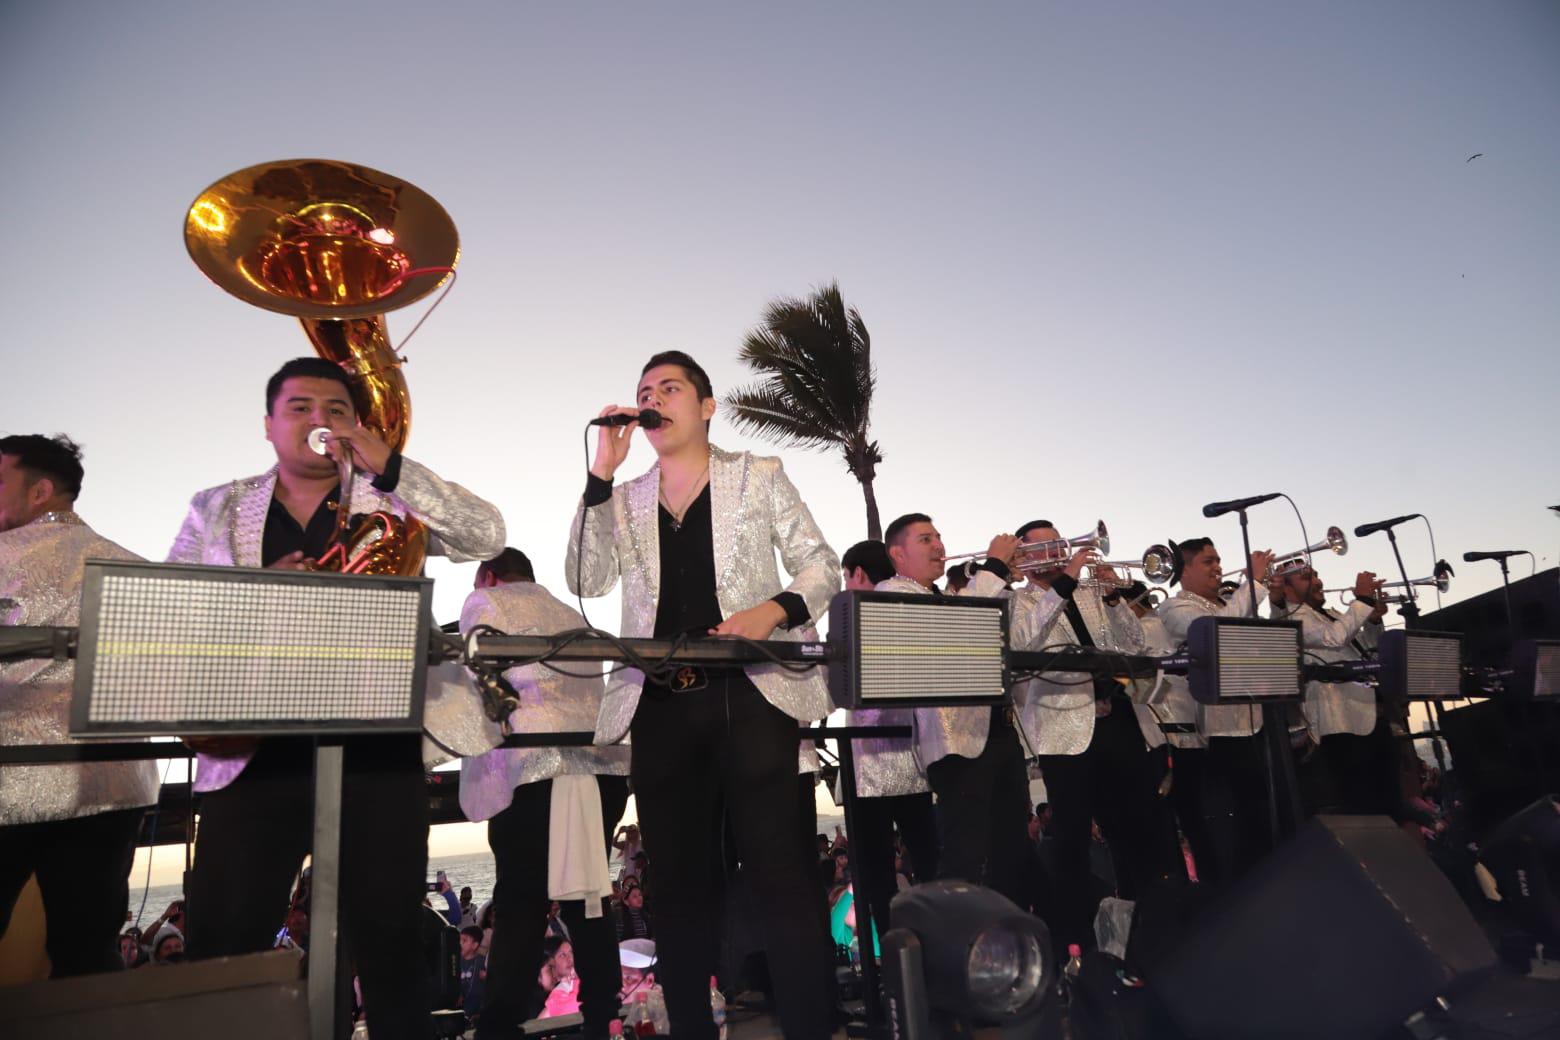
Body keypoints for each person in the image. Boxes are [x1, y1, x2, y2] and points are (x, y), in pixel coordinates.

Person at [168, 357, 505, 1040]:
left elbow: (485, 534)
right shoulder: (218, 506)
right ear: (269, 425)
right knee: (223, 939)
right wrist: (259, 590)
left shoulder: (391, 497)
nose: (320, 421)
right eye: (300, 407)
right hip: (253, 751)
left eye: (337, 409)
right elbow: (174, 608)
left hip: (377, 748)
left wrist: (396, 467)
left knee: (389, 943)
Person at [566, 350, 838, 1040]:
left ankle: (809, 1026)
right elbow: (585, 576)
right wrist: (601, 472)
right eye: (644, 390)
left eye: (670, 387)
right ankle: (690, 1026)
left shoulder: (757, 476)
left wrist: (772, 611)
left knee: (781, 880)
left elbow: (821, 565)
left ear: (706, 406)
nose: (654, 398)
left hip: (752, 695)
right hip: (659, 704)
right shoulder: (624, 498)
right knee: (679, 891)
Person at [0, 434, 161, 978]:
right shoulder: (132, 568)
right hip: (112, 784)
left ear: (41, 490)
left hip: (9, 781)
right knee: (87, 949)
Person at [458, 546, 631, 1040]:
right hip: (601, 768)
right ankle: (604, 1014)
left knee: (520, 900)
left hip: (535, 770)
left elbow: (475, 681)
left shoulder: (485, 604)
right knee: (589, 895)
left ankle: (500, 1024)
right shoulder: (569, 612)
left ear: (488, 577)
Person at [1007, 521, 1184, 949]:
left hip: (1119, 722)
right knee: (1071, 842)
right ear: (1025, 558)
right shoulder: (1017, 602)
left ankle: (1153, 928)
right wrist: (1066, 580)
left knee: (1138, 829)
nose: (1062, 549)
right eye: (1047, 545)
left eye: (1061, 541)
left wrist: (1115, 599)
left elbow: (1134, 646)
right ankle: (1077, 942)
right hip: (1064, 734)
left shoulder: (1089, 593)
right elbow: (1027, 643)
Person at [876, 514, 1031, 906]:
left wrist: (1005, 580)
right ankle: (953, 947)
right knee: (965, 853)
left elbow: (1012, 636)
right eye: (926, 539)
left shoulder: (942, 595)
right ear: (898, 553)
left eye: (939, 537)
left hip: (1000, 733)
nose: (940, 546)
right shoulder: (892, 590)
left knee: (1011, 852)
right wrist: (994, 567)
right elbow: (960, 625)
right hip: (957, 744)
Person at [837, 539, 941, 944]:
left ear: (858, 573)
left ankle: (894, 965)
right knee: (929, 860)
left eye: (847, 576)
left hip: (868, 766)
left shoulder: (856, 614)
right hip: (914, 758)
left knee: (875, 873)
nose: (846, 585)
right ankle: (939, 947)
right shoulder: (910, 603)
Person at [1158, 537, 1274, 881]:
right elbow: (1217, 635)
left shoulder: (1227, 601)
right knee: (1232, 826)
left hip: (1253, 718)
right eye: (1208, 561)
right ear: (1185, 569)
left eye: (1219, 560)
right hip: (1216, 730)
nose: (1218, 567)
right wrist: (1252, 582)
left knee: (1262, 818)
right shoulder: (1175, 608)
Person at [1270, 565, 1396, 816]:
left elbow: (1370, 651)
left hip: (1369, 717)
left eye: (1316, 574)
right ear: (1286, 588)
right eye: (1307, 578)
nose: (1318, 581)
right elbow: (1334, 638)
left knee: (1388, 805)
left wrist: (1373, 621)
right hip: (1337, 725)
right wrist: (1362, 600)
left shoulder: (1333, 613)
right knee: (1359, 807)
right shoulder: (1290, 619)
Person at [457, 926, 487, 1022]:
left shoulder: (482, 961)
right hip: (460, 1008)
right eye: (459, 940)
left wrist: (486, 976)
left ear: (474, 945)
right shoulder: (456, 961)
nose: (460, 943)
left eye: (464, 941)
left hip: (477, 1009)